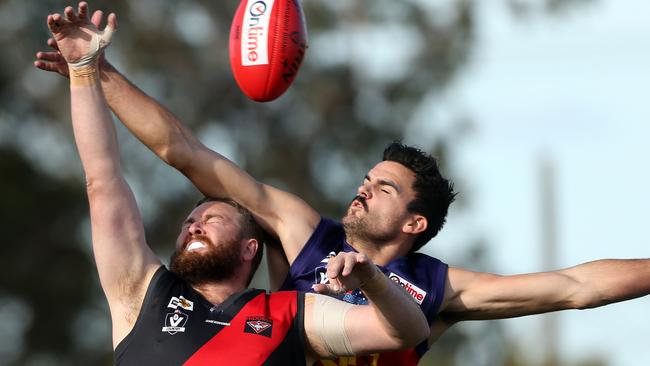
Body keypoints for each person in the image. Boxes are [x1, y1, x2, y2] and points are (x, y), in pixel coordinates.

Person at [36, 4, 650, 365]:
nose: (362, 189)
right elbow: (184, 151)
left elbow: (575, 287)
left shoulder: (440, 288)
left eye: (383, 188)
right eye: (365, 178)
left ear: (415, 223)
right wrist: (97, 72)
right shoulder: (303, 233)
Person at [43, 3, 430, 365]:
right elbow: (102, 180)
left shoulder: (290, 314)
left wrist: (371, 280)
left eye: (211, 218)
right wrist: (83, 71)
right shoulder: (142, 294)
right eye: (188, 223)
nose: (192, 225)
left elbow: (407, 332)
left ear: (250, 247)